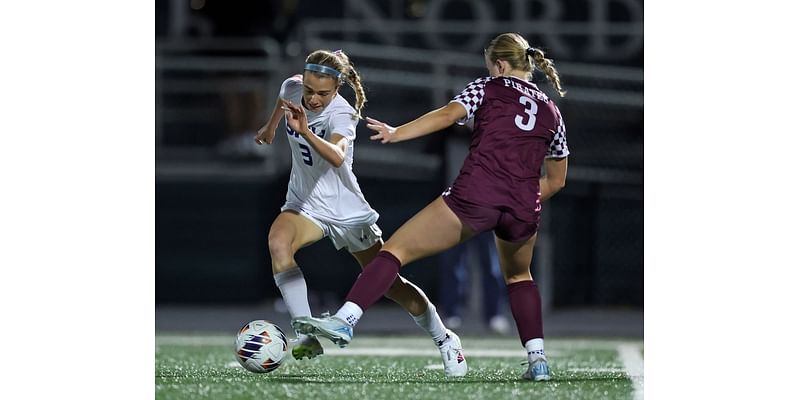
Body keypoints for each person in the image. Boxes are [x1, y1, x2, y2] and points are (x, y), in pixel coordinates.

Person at [292, 33, 569, 382]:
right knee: (519, 276)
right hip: (523, 205)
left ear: (499, 65)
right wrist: (520, 194)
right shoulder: (551, 109)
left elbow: (448, 114)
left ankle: (346, 320)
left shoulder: (488, 86)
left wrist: (397, 132)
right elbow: (557, 180)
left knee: (394, 250)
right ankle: (538, 359)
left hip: (477, 194)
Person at [253, 49, 467, 377]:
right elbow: (284, 101)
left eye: (322, 93)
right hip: (305, 203)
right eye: (309, 90)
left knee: (392, 285)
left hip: (345, 210)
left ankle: (445, 338)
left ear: (337, 88)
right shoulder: (292, 88)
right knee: (278, 243)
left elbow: (337, 156)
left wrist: (307, 132)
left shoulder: (342, 113)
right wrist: (270, 129)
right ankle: (307, 334)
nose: (312, 98)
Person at [439, 231, 511, 334]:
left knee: (492, 267)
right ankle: (452, 314)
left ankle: (494, 314)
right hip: (458, 218)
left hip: (486, 219)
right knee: (453, 266)